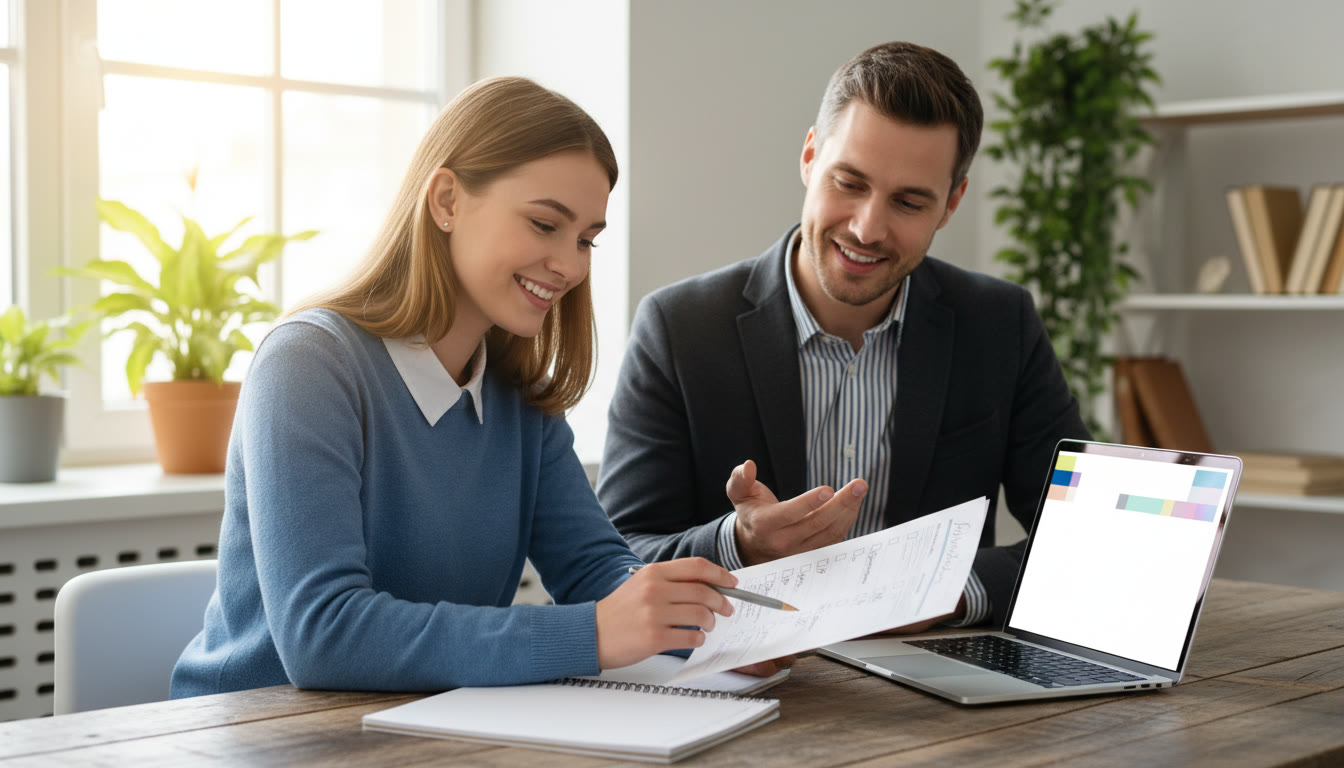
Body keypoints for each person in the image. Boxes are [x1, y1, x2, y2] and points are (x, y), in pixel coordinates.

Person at [171, 77, 772, 698]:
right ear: (447, 201)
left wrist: (720, 627)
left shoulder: (519, 396)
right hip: (257, 734)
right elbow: (324, 635)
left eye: (586, 239)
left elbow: (596, 568)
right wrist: (590, 634)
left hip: (426, 729)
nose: (570, 265)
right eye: (545, 224)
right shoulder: (308, 366)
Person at [597, 42, 1090, 631]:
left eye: (909, 201)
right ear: (810, 157)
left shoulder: (1000, 324)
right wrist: (739, 544)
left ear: (951, 204)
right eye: (849, 183)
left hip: (936, 679)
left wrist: (945, 594)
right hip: (749, 679)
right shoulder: (678, 329)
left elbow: (1082, 538)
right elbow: (618, 561)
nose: (867, 227)